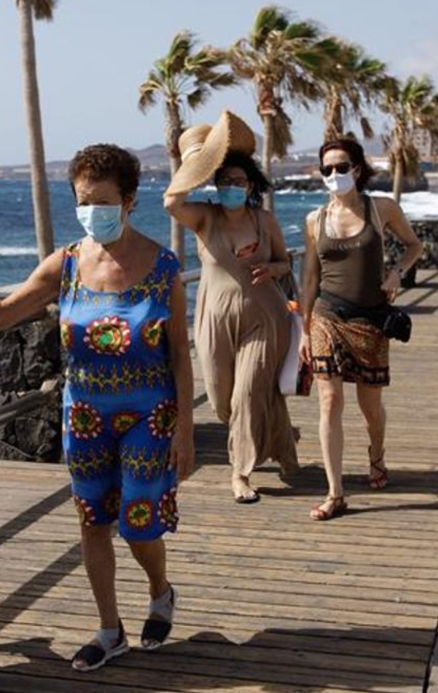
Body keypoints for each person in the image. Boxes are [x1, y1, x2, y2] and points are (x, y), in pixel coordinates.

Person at [0, 144, 193, 671]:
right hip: (85, 414)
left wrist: (182, 428)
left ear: (130, 200)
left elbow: (180, 354)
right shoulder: (65, 263)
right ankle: (109, 629)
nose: (92, 211)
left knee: (139, 522)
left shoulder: (163, 267)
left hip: (149, 414)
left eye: (103, 201)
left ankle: (160, 590)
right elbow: (2, 313)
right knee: (93, 521)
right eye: (83, 201)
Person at [163, 110, 299, 504]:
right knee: (223, 400)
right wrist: (196, 163)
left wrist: (271, 267)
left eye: (239, 182)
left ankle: (240, 473)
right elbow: (171, 202)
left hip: (264, 316)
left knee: (247, 394)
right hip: (214, 318)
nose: (231, 187)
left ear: (251, 184)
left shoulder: (264, 220)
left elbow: (285, 262)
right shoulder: (204, 217)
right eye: (224, 181)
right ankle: (280, 434)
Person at [300, 138, 424, 521]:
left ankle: (377, 453)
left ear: (357, 168)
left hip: (370, 319)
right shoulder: (314, 220)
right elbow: (309, 278)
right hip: (326, 315)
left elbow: (413, 246)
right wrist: (304, 330)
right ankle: (335, 493)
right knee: (329, 401)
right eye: (327, 170)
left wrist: (395, 273)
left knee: (370, 407)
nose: (334, 175)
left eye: (341, 167)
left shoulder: (381, 207)